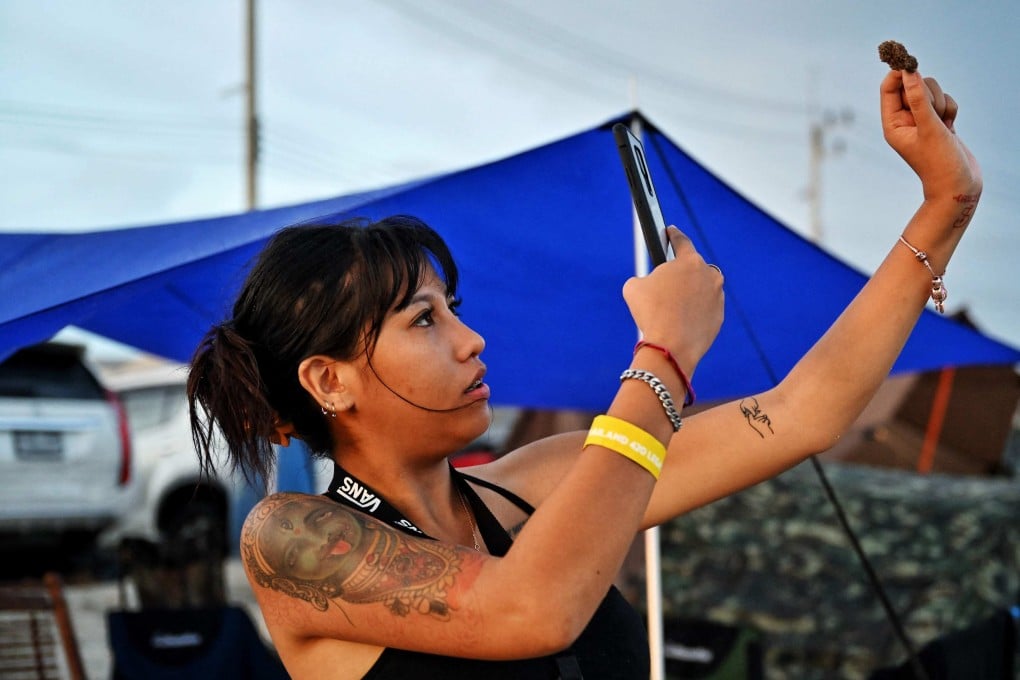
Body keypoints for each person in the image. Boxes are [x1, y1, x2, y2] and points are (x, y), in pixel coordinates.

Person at [187, 65, 981, 679]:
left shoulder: (539, 483)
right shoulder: (290, 539)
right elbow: (529, 610)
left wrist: (943, 207)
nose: (472, 341)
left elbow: (804, 412)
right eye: (424, 320)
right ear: (329, 381)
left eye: (454, 308)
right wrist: (662, 356)